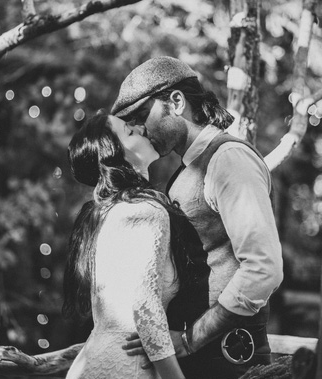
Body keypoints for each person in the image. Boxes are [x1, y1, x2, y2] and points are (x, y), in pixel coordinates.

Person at [112, 56, 284, 378]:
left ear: (176, 102)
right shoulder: (185, 170)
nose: (137, 129)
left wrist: (191, 339)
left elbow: (264, 269)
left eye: (141, 115)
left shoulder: (229, 159)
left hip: (230, 359)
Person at [64, 113, 210, 379]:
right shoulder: (145, 211)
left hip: (94, 362)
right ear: (116, 156)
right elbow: (145, 306)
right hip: (128, 368)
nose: (141, 127)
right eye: (129, 131)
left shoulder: (105, 214)